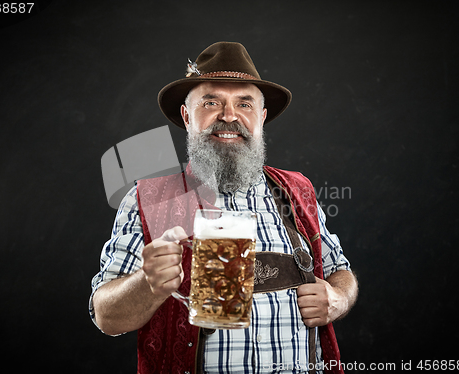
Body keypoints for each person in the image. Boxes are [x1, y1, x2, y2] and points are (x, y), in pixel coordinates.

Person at [89, 42, 358, 374]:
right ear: (187, 116)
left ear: (261, 118)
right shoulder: (149, 199)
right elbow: (107, 317)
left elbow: (340, 270)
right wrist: (148, 282)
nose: (229, 116)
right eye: (211, 102)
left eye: (244, 103)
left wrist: (339, 298)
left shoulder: (297, 190)